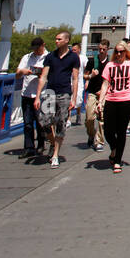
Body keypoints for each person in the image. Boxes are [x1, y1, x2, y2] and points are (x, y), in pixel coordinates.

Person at [35, 31, 83, 168]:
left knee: (61, 123)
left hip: (64, 93)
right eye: (56, 39)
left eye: (59, 39)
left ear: (66, 40)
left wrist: (74, 98)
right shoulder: (50, 56)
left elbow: (75, 78)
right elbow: (43, 76)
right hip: (50, 92)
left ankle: (55, 154)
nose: (56, 41)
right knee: (44, 121)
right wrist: (38, 96)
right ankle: (52, 142)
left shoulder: (73, 57)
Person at [98, 41, 130, 173]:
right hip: (111, 100)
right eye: (116, 51)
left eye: (121, 51)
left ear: (126, 52)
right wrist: (100, 101)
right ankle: (114, 149)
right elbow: (105, 84)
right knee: (108, 131)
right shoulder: (110, 65)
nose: (118, 54)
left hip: (126, 100)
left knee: (121, 131)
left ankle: (117, 161)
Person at [15, 37, 48, 157]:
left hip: (42, 95)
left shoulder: (48, 57)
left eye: (37, 48)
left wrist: (42, 74)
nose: (35, 50)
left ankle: (40, 144)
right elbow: (17, 75)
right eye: (34, 48)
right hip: (27, 93)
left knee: (40, 122)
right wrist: (23, 71)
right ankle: (28, 147)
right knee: (27, 123)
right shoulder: (27, 57)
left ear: (43, 45)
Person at [83, 40, 111, 151]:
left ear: (108, 49)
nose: (101, 51)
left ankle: (99, 141)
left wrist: (105, 91)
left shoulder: (111, 62)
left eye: (104, 49)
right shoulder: (92, 61)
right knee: (89, 118)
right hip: (93, 92)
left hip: (105, 94)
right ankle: (91, 134)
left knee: (102, 118)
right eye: (100, 49)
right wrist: (91, 75)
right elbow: (84, 76)